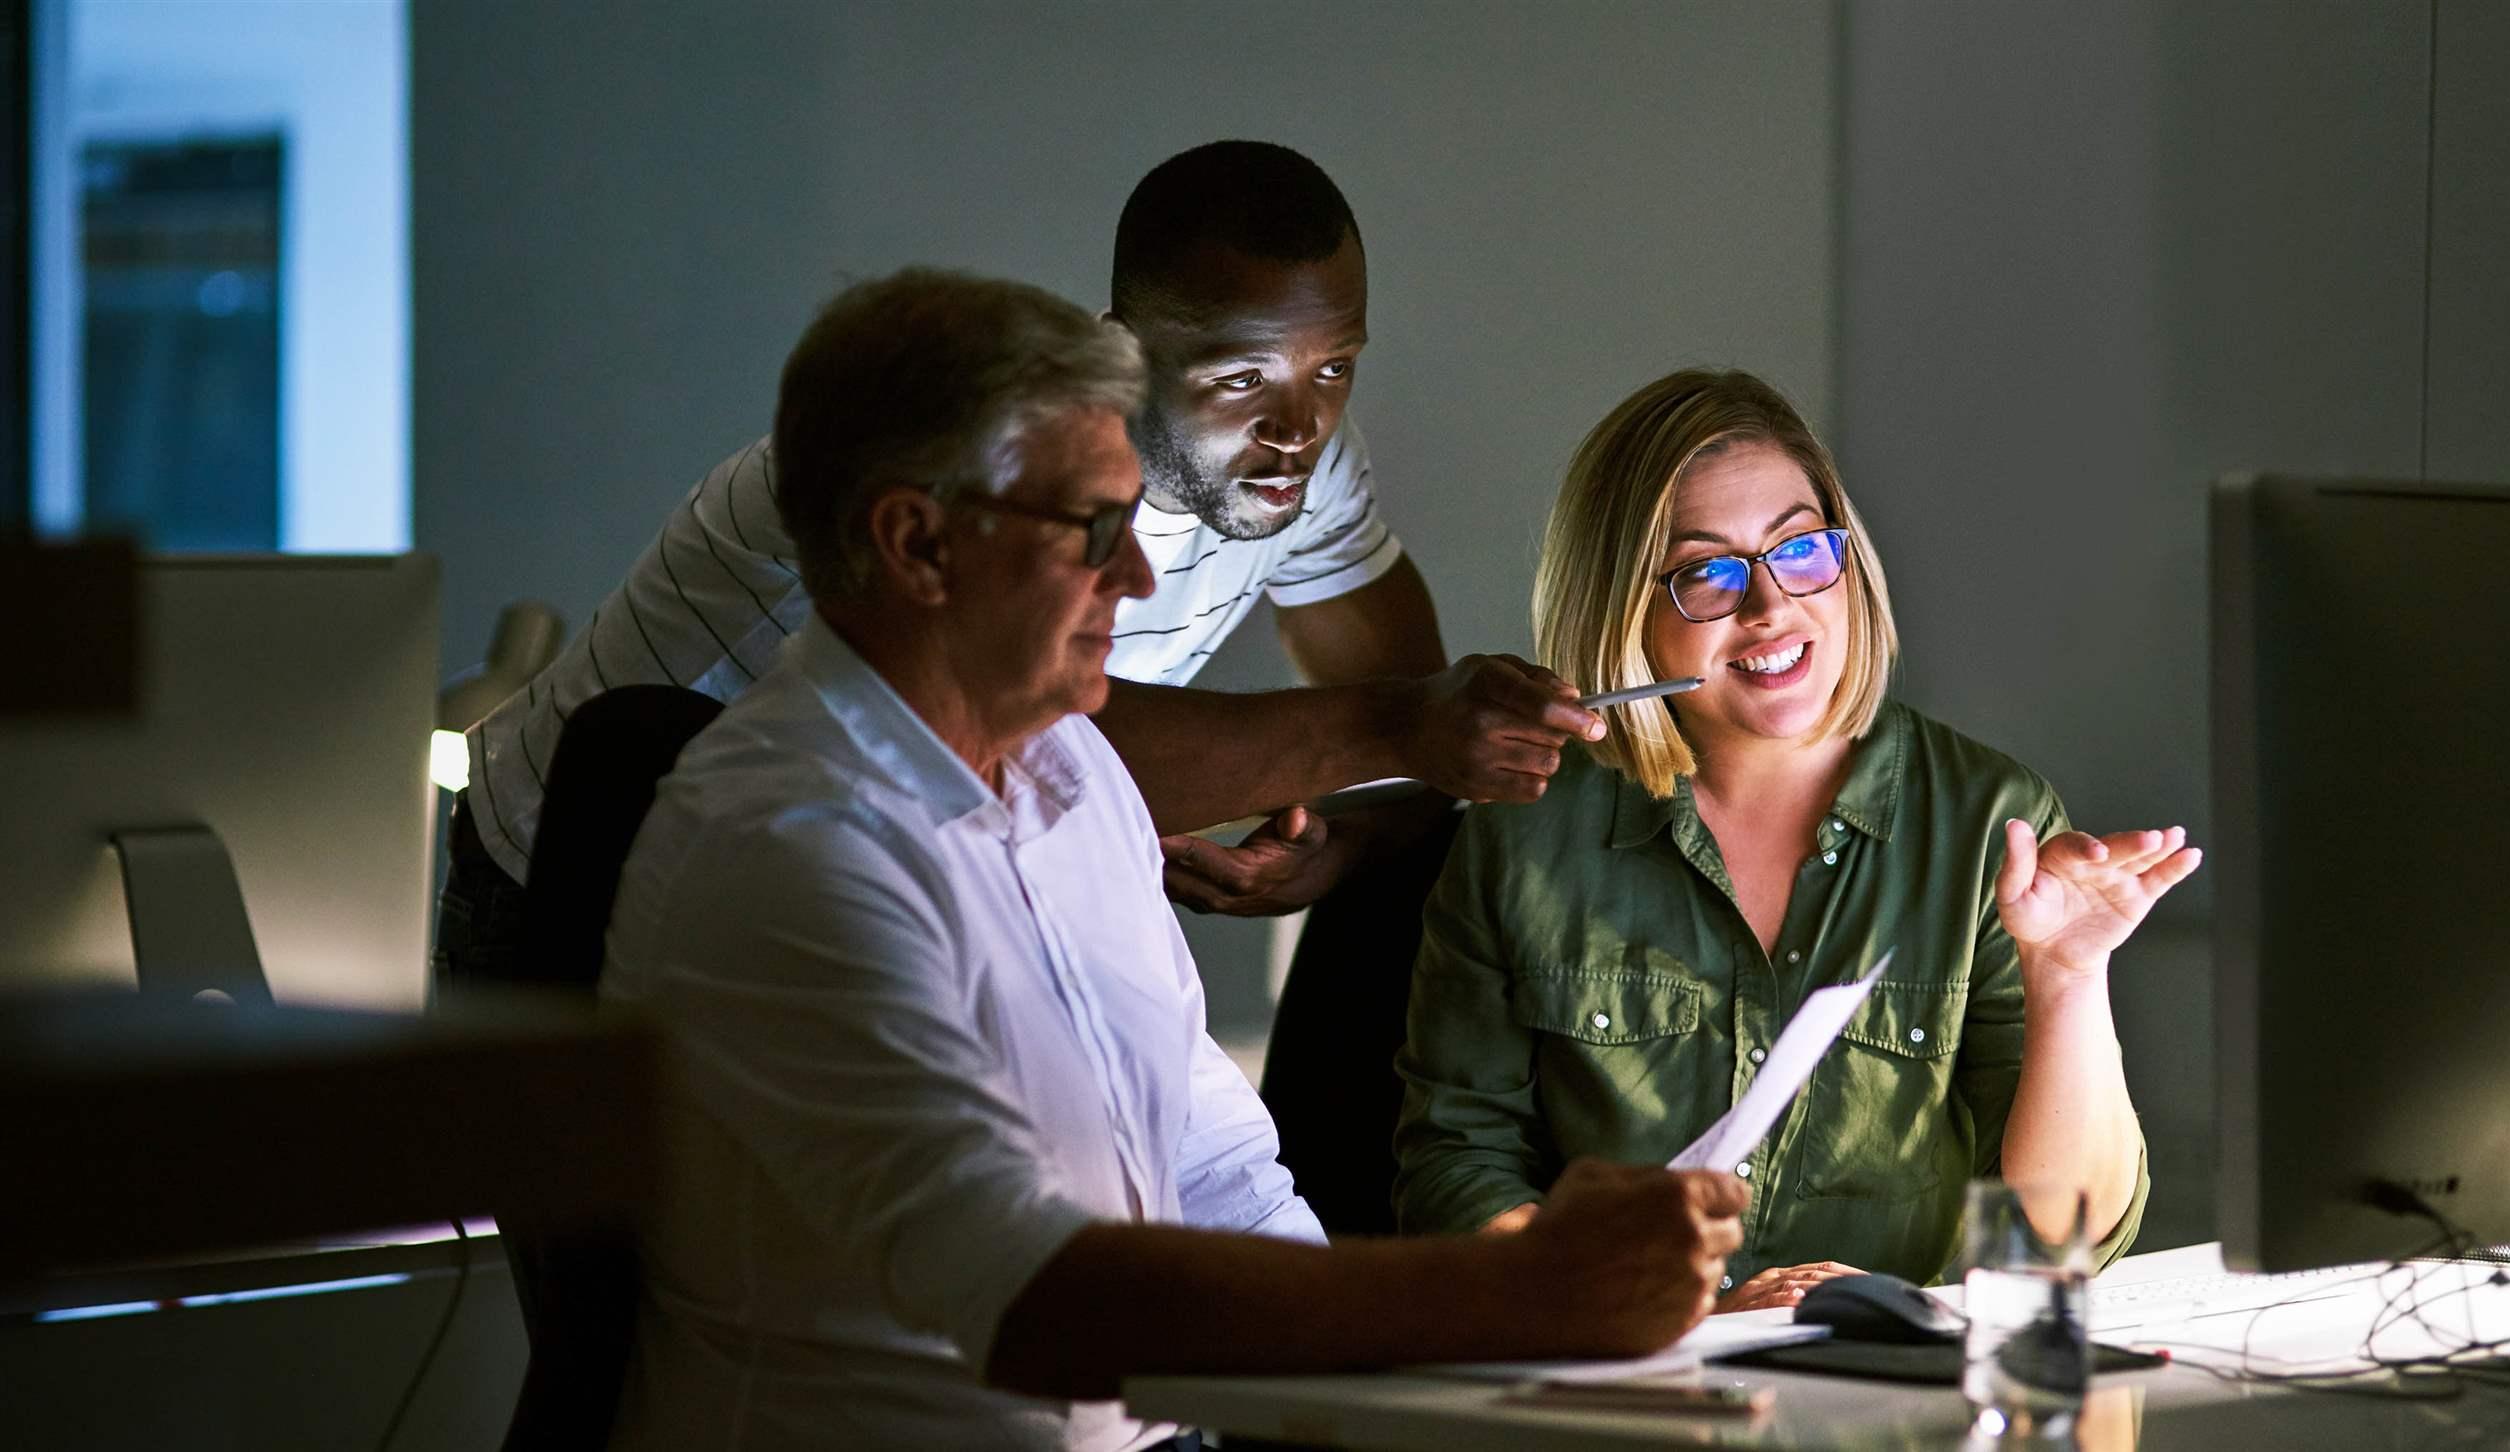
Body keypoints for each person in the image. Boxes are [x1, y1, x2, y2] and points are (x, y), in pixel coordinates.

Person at [598, 270, 1745, 1451]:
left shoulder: (1077, 774)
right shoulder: (791, 849)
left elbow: (1220, 1173)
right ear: (919, 542)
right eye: (1093, 531)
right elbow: (1039, 1303)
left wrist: (1428, 1380)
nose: (1138, 579)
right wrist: (1520, 1292)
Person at [440, 140, 1596, 986]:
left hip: (886, 888)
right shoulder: (953, 466)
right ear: (1128, 351)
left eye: (1334, 367)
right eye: (1243, 379)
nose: (1299, 425)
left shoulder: (1297, 462)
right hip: (576, 881)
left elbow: (1399, 733)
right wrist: (1403, 730)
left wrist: (1336, 852)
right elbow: (1039, 742)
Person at [1391, 368, 2196, 1310]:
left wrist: (2068, 976)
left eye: (1801, 551)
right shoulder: (1522, 833)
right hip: (1635, 1387)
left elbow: (2066, 1241)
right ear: (1622, 612)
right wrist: (1648, 1300)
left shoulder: (1989, 818)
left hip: (1903, 1398)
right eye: (1707, 573)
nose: (1770, 608)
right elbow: (1457, 1169)